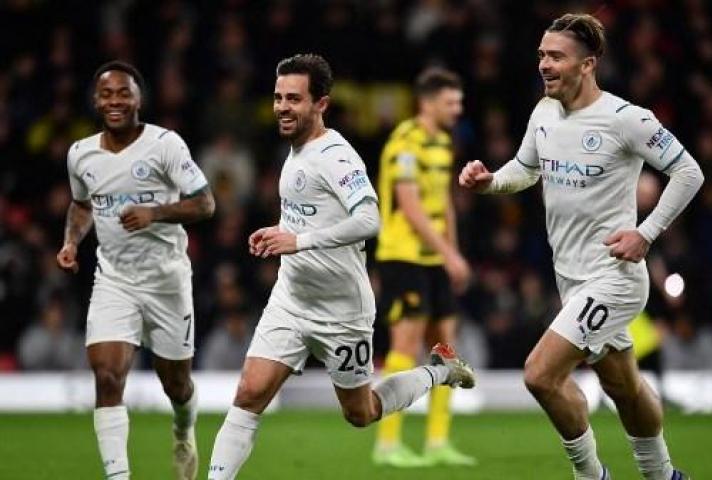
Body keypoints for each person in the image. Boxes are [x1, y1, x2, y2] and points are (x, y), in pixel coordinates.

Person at [207, 54, 475, 480]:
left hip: (342, 310)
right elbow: (310, 214)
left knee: (360, 411)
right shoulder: (292, 152)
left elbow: (370, 219)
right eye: (278, 98)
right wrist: (279, 230)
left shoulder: (336, 155)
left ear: (321, 105)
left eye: (294, 99)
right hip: (292, 298)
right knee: (249, 392)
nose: (282, 107)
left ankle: (438, 371)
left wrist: (297, 241)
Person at [459, 13, 702, 480]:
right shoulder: (544, 112)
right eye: (541, 56)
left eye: (556, 57)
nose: (544, 65)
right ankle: (665, 476)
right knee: (624, 386)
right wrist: (491, 181)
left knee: (539, 373)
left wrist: (645, 233)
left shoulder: (625, 119)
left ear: (587, 64)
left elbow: (689, 172)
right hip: (570, 277)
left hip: (613, 276)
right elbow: (525, 168)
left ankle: (591, 475)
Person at [56, 61, 215, 480]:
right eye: (106, 94)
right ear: (95, 100)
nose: (115, 101)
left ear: (138, 99)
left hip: (167, 280)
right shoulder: (80, 154)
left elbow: (205, 203)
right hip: (115, 280)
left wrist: (156, 213)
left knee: (176, 386)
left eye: (123, 93)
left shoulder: (165, 145)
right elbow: (82, 204)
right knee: (107, 375)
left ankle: (184, 430)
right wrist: (72, 242)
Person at [373, 67, 474, 467]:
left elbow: (444, 202)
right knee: (405, 345)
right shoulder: (406, 142)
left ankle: (436, 442)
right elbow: (410, 207)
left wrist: (453, 251)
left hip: (434, 258)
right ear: (427, 103)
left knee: (445, 346)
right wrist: (449, 255)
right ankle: (387, 443)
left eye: (459, 102)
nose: (458, 109)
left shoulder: (442, 144)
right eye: (451, 102)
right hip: (402, 256)